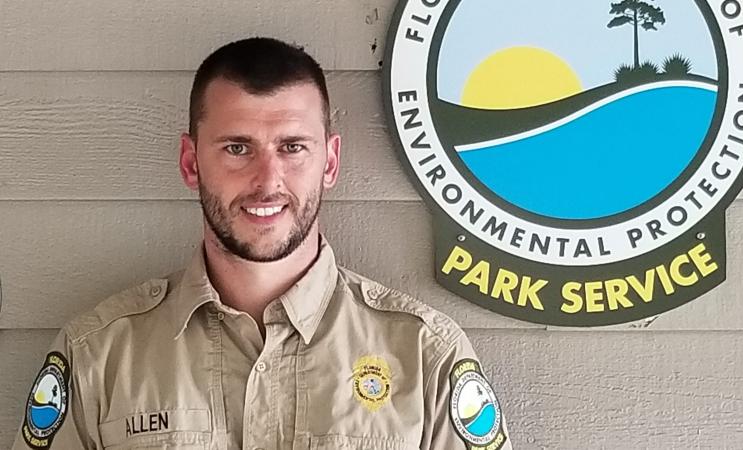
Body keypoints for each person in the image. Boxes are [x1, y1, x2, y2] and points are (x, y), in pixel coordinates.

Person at [13, 38, 512, 450]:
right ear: (191, 163)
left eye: (292, 147)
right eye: (237, 148)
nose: (267, 180)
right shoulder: (99, 356)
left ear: (330, 163)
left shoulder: (425, 356)